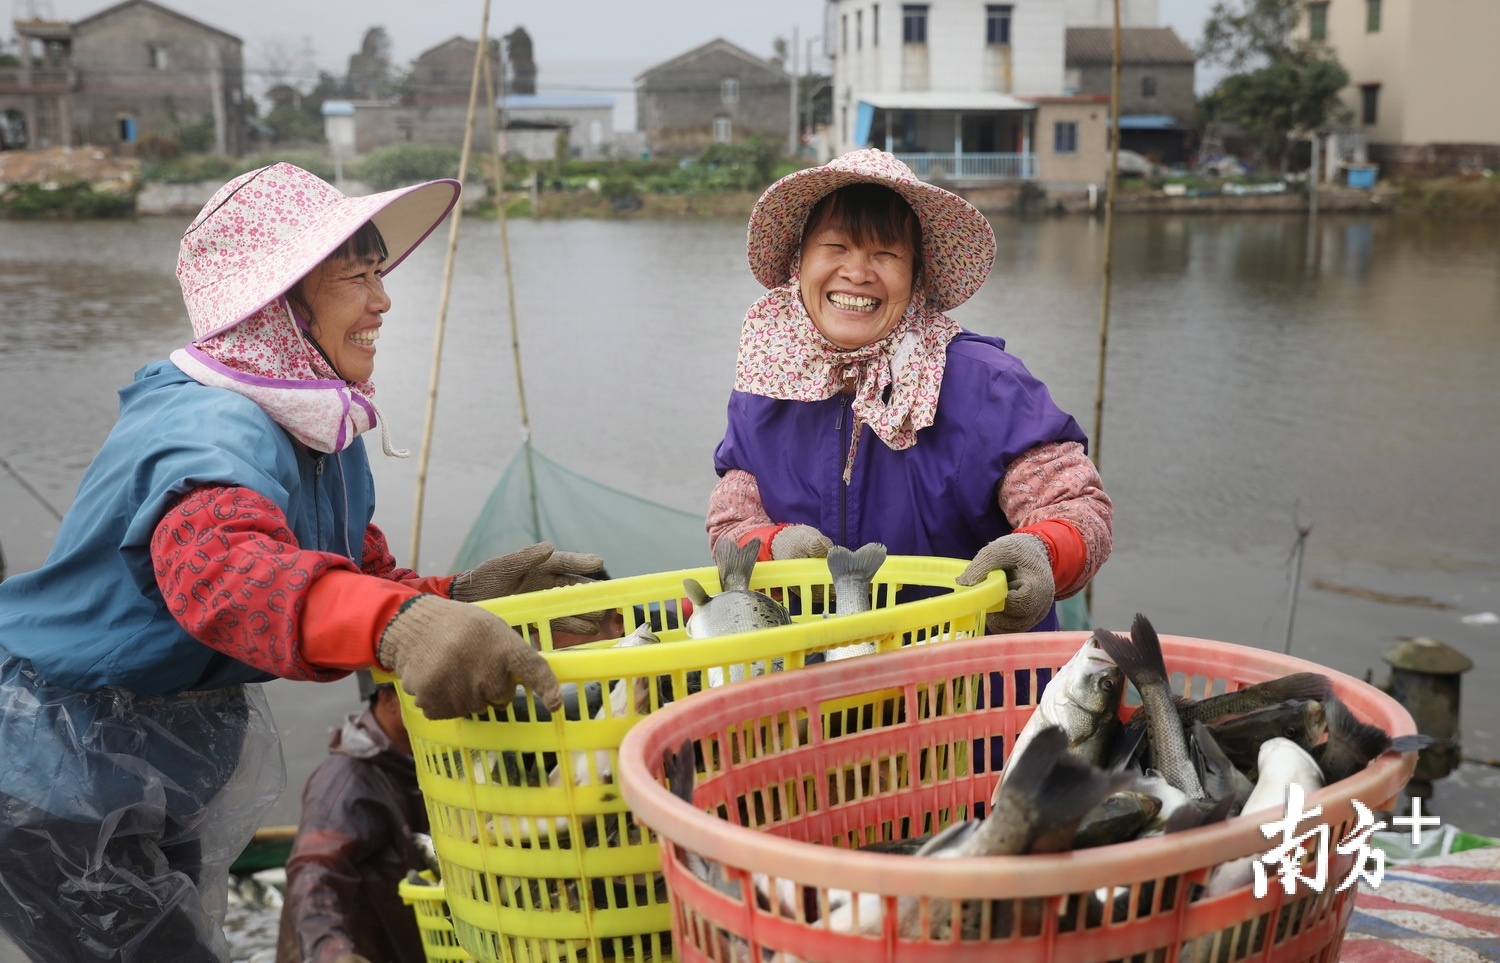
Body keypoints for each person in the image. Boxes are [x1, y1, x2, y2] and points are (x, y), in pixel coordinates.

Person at [0, 162, 603, 962]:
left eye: (379, 270)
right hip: (59, 771)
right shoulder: (208, 428)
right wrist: (400, 626)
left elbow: (345, 576)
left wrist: (450, 595)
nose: (382, 299)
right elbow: (226, 575)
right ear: (274, 302)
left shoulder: (315, 422)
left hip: (159, 756)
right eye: (356, 274)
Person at [708, 149, 1112, 632]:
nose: (857, 273)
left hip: (971, 683)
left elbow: (1078, 509)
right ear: (799, 263)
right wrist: (776, 550)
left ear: (916, 275)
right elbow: (730, 525)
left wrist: (1041, 551)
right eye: (835, 247)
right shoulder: (766, 387)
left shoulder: (984, 383)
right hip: (818, 683)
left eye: (886, 254)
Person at [274, 673, 428, 963]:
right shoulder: (346, 782)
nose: (441, 706)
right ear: (389, 700)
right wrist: (332, 952)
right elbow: (314, 872)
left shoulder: (420, 769)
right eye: (427, 695)